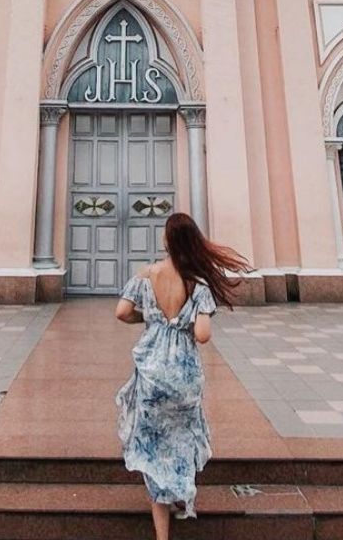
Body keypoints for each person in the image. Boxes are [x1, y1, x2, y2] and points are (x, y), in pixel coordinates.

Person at [114, 212, 250, 540]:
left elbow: (121, 312)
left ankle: (162, 534)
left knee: (154, 443)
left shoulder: (147, 274)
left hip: (152, 370)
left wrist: (152, 322)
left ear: (167, 241)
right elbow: (203, 335)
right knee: (180, 437)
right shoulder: (198, 283)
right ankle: (178, 491)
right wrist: (186, 323)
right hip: (184, 375)